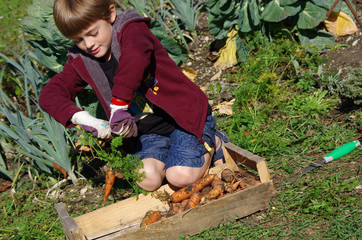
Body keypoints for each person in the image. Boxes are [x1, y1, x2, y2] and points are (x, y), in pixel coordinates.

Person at [39, 0, 228, 191]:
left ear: (110, 14)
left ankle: (214, 139)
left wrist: (118, 106)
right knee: (146, 179)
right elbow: (49, 95)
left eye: (93, 33)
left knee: (179, 177)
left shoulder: (131, 30)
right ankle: (177, 153)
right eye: (78, 40)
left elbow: (135, 59)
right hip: (149, 133)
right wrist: (86, 119)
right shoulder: (83, 60)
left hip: (184, 119)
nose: (88, 44)